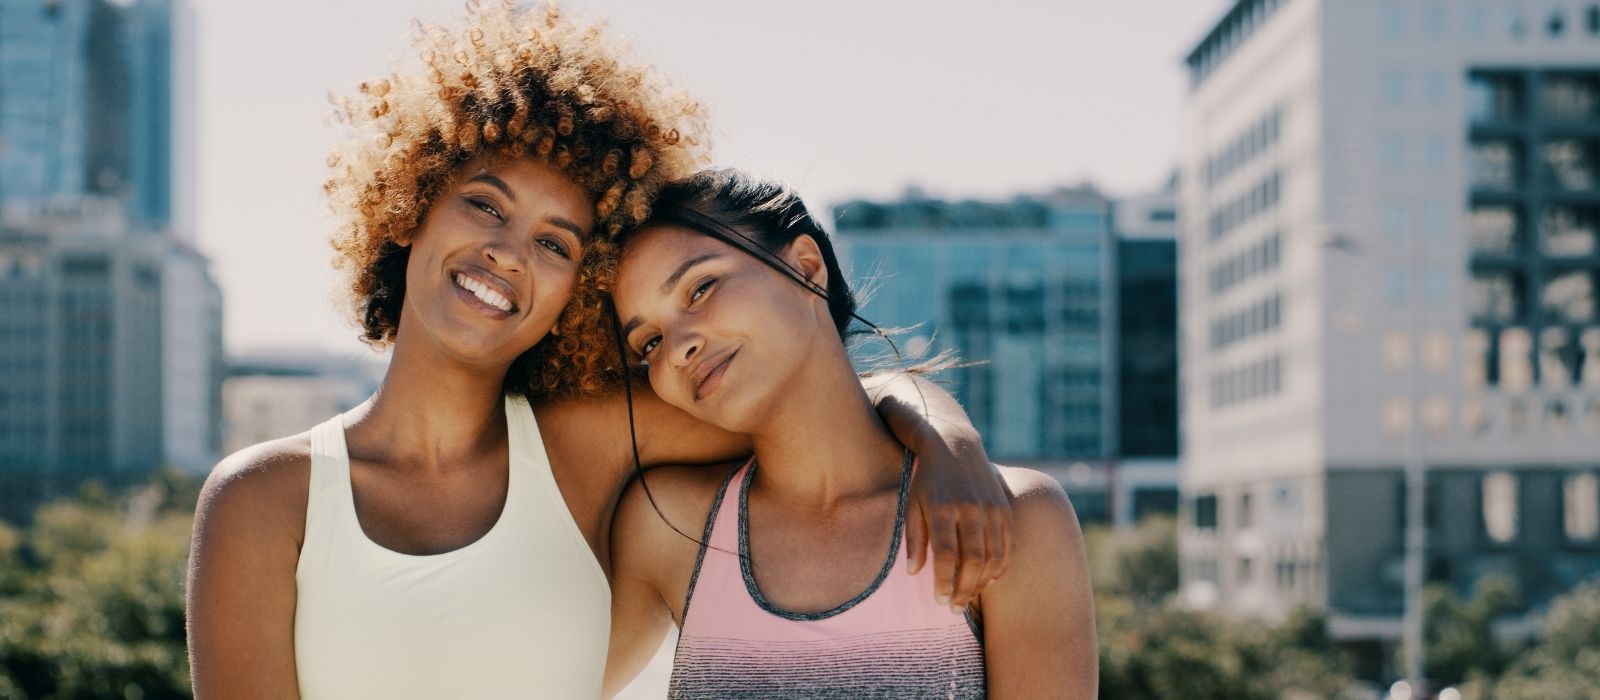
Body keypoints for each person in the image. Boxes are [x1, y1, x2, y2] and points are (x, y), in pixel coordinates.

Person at [185, 4, 1011, 698]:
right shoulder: (262, 499)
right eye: (483, 205)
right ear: (408, 206)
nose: (509, 254)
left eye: (557, 243)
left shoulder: (589, 446)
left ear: (579, 298)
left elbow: (819, 399)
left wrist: (949, 442)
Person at [604, 170, 1099, 699]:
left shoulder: (1013, 517)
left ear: (806, 266)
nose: (678, 346)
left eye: (701, 288)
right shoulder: (664, 525)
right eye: (650, 342)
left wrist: (944, 437)